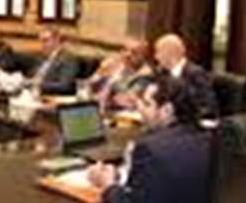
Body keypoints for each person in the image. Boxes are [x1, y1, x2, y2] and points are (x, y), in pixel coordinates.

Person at [88, 75, 211, 203]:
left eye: (147, 104)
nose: (140, 109)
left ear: (167, 110)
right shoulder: (209, 138)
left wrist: (108, 185)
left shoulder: (151, 149)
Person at [153, 34, 218, 119]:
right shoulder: (164, 74)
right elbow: (160, 100)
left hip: (190, 123)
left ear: (170, 52)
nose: (156, 57)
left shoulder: (196, 74)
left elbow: (206, 107)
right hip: (168, 122)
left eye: (158, 52)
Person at [88, 39, 154, 108]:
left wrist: (105, 96)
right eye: (125, 50)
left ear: (145, 57)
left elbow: (128, 101)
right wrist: (100, 73)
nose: (127, 54)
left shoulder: (146, 75)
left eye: (134, 52)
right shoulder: (117, 66)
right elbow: (90, 87)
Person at [29, 28, 80, 95]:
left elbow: (64, 85)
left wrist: (39, 85)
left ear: (56, 40)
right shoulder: (42, 57)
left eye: (45, 40)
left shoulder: (69, 59)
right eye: (41, 41)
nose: (42, 44)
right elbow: (33, 76)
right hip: (32, 93)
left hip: (49, 96)